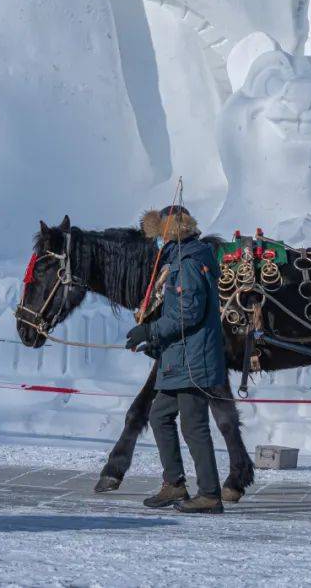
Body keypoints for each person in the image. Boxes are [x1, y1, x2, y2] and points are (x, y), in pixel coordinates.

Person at [125, 206, 229, 513]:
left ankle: (210, 494)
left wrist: (150, 330)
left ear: (169, 234)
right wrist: (156, 345)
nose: (157, 243)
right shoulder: (182, 260)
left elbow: (187, 313)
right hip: (179, 357)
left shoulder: (187, 264)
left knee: (194, 425)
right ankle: (174, 485)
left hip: (192, 360)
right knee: (159, 417)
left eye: (159, 237)